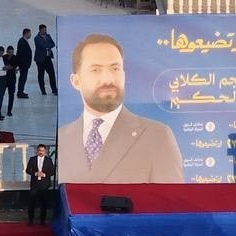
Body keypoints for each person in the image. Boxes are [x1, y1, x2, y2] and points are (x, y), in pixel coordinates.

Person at [56, 35, 186, 184]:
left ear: (124, 75)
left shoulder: (157, 136)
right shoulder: (62, 138)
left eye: (115, 68)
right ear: (76, 81)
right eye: (96, 70)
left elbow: (172, 202)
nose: (108, 79)